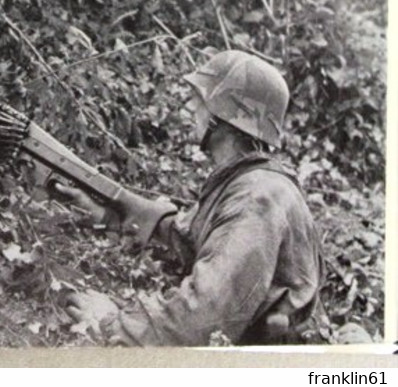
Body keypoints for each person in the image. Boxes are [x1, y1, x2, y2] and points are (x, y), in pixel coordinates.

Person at [61, 49, 325, 346]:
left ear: (223, 114)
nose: (189, 107)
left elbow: (203, 318)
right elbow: (188, 237)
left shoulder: (256, 196)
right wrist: (107, 214)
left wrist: (113, 324)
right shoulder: (250, 183)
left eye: (200, 100)